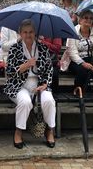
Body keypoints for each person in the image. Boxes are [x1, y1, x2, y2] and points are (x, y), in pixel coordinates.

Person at [4, 19, 56, 149]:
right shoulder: (14, 48)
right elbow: (9, 72)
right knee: (25, 102)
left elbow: (49, 69)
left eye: (31, 32)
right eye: (25, 32)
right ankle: (18, 132)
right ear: (20, 33)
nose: (28, 35)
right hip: (18, 85)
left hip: (39, 85)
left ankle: (50, 130)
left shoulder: (42, 48)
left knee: (49, 101)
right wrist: (25, 66)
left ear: (35, 33)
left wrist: (45, 84)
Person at [61, 9, 93, 93]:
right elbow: (71, 52)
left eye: (91, 18)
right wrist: (83, 63)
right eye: (86, 18)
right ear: (80, 20)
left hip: (90, 59)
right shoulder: (73, 31)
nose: (89, 20)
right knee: (82, 71)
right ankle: (78, 92)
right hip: (75, 60)